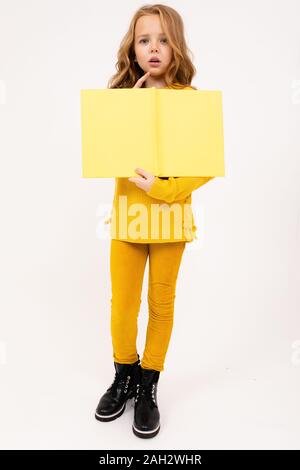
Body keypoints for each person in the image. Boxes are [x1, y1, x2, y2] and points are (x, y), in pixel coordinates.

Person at [95, 4, 214, 439]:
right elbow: (103, 153)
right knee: (123, 304)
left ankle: (149, 386)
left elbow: (206, 166)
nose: (154, 48)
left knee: (161, 303)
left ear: (176, 45)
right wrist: (134, 109)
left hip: (170, 218)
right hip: (128, 218)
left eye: (163, 39)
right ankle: (122, 376)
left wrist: (163, 189)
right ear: (133, 47)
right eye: (145, 40)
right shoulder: (120, 96)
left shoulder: (189, 100)